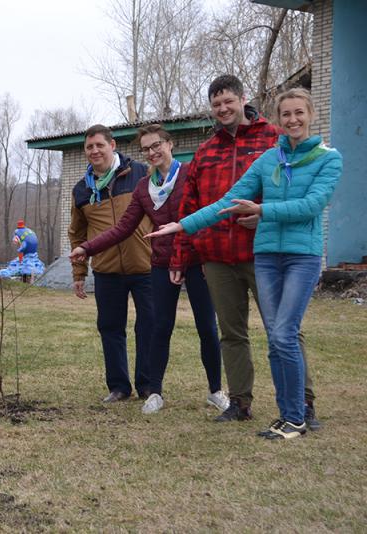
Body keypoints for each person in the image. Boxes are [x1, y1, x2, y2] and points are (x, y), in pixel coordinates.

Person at [148, 88, 341, 439]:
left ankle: (300, 409)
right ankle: (257, 407)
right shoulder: (248, 156)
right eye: (287, 114)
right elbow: (222, 200)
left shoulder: (313, 153)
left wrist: (261, 212)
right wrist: (182, 226)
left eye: (299, 113)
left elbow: (312, 204)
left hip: (284, 254)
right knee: (244, 334)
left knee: (283, 333)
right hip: (239, 253)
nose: (293, 119)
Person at [69, 124, 226, 415]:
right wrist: (87, 249)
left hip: (196, 261)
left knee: (207, 326)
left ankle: (216, 390)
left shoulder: (191, 174)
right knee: (160, 328)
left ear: (170, 144)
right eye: (146, 148)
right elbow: (122, 228)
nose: (152, 152)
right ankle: (154, 392)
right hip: (162, 264)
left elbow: (209, 212)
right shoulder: (144, 187)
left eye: (157, 145)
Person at [69, 124, 153, 402]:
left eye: (99, 145)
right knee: (110, 328)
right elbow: (77, 233)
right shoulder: (81, 189)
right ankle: (118, 386)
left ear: (112, 145)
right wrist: (79, 272)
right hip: (106, 270)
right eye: (89, 147)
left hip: (145, 266)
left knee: (149, 325)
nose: (94, 151)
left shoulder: (140, 173)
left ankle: (147, 385)